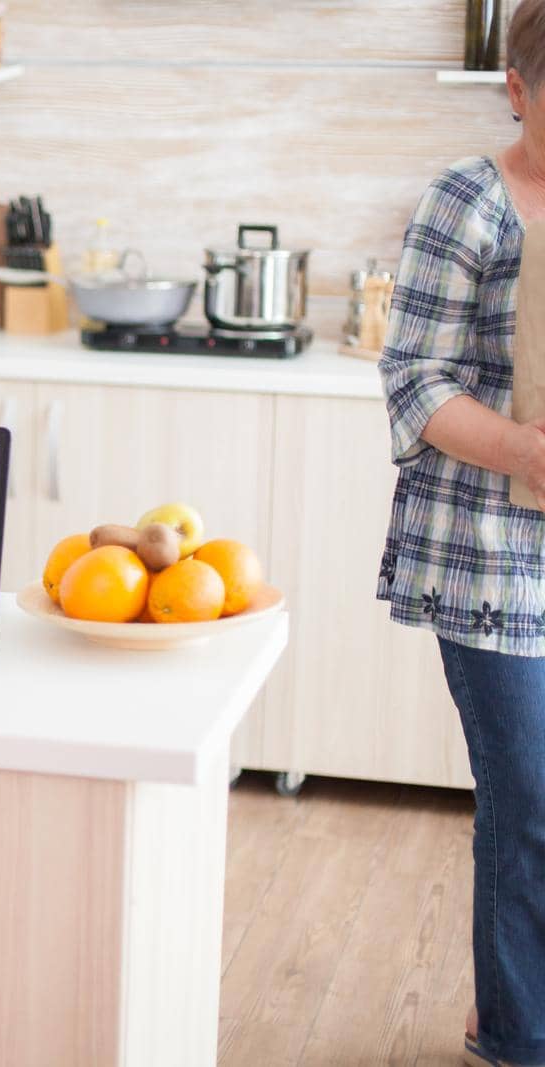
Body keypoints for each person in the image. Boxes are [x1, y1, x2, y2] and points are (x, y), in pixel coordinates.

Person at [377, 4, 545, 1063]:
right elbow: (412, 381)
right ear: (519, 92)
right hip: (489, 551)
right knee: (530, 799)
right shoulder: (469, 200)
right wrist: (532, 454)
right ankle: (518, 1038)